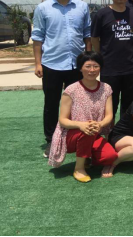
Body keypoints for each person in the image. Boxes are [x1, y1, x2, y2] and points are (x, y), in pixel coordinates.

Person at [32, 0, 92, 158]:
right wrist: (38, 63)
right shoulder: (43, 8)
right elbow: (37, 38)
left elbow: (87, 35)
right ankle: (52, 140)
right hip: (52, 64)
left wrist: (88, 61)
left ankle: (76, 138)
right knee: (51, 103)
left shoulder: (82, 7)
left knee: (78, 103)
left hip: (76, 65)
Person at [48, 52, 118, 182]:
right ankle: (79, 169)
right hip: (70, 135)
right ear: (80, 68)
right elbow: (62, 120)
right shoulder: (71, 90)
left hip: (94, 132)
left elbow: (109, 115)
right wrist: (81, 125)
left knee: (109, 156)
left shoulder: (106, 88)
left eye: (96, 66)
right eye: (88, 66)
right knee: (87, 130)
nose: (92, 70)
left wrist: (100, 124)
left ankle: (86, 157)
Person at [92, 0, 133, 119]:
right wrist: (101, 56)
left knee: (129, 106)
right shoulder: (101, 14)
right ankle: (108, 131)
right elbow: (94, 38)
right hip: (110, 69)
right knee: (109, 105)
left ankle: (124, 131)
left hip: (131, 68)